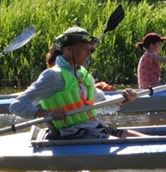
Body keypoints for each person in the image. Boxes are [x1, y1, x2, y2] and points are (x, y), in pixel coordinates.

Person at [9, 26, 146, 139]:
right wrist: (46, 113)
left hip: (93, 128)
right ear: (69, 50)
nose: (89, 54)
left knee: (141, 138)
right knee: (126, 141)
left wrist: (122, 100)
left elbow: (100, 103)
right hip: (72, 134)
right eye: (85, 49)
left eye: (90, 50)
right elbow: (16, 106)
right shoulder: (53, 76)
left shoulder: (83, 75)